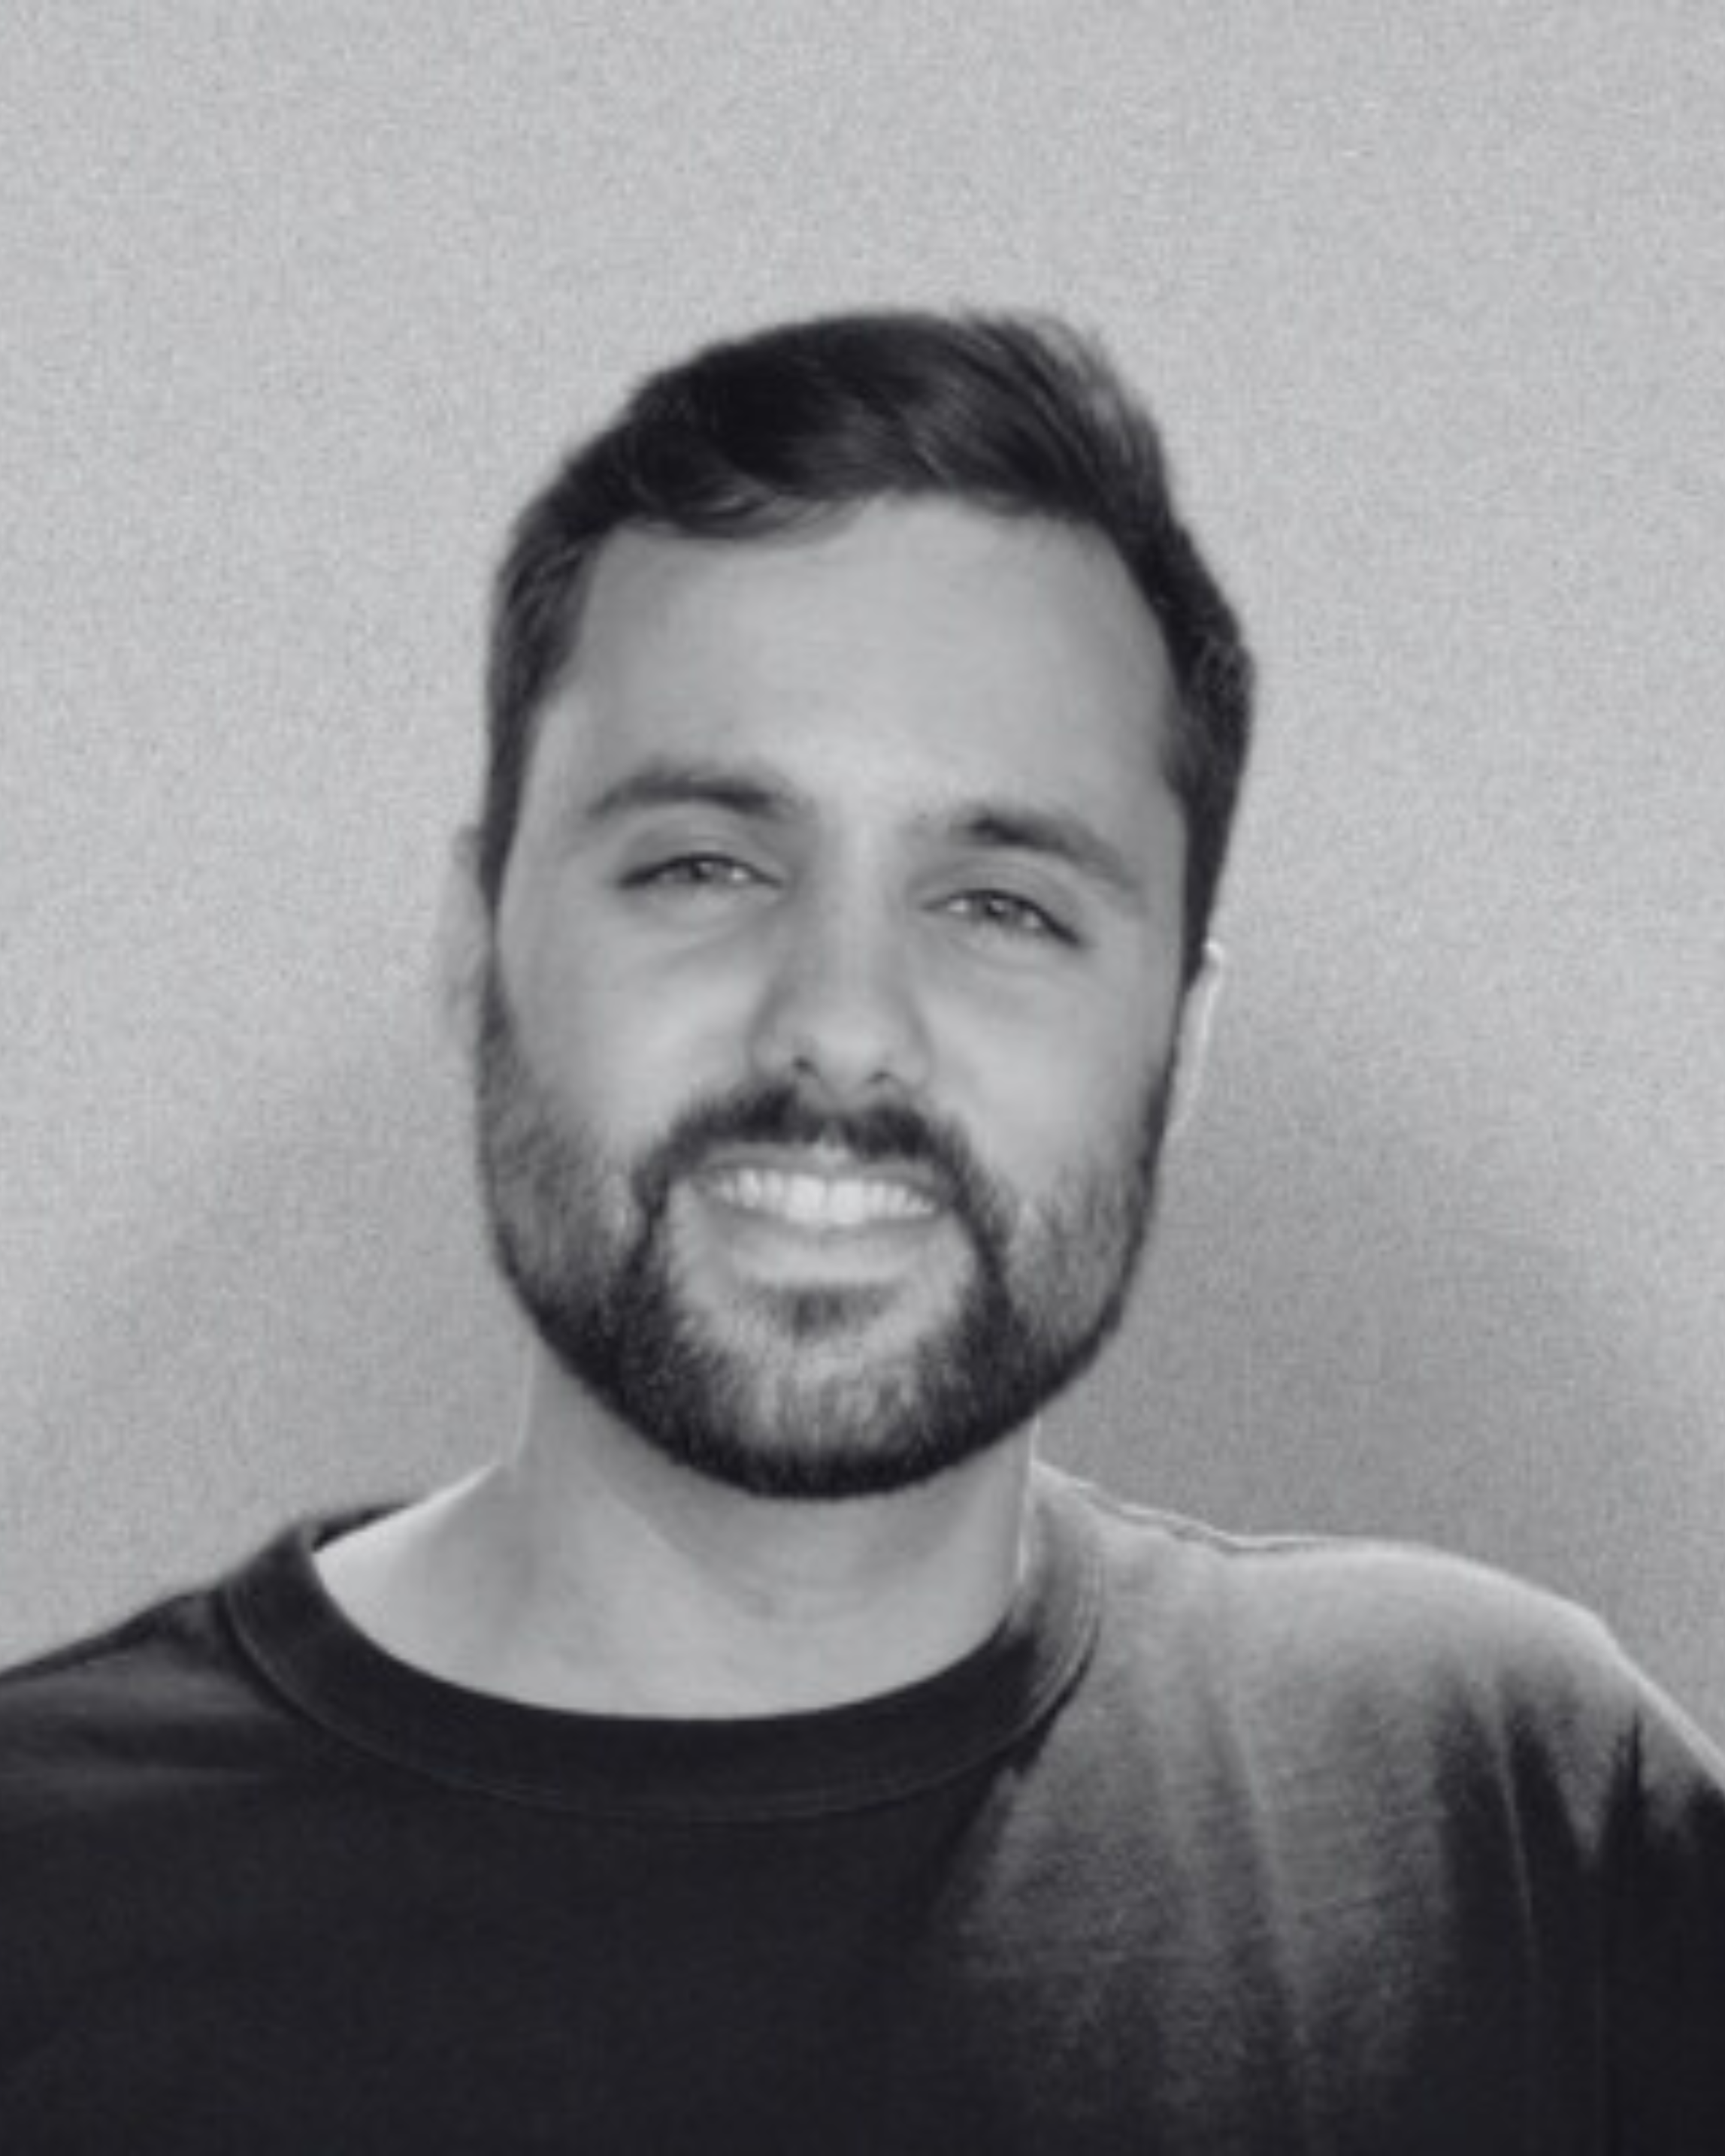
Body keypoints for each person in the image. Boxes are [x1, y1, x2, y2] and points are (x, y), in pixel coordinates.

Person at [2, 309, 1720, 2154]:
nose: (838, 1022)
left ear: (1174, 1050)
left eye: (999, 902)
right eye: (702, 865)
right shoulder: (42, 1892)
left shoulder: (1507, 1816)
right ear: (471, 942)